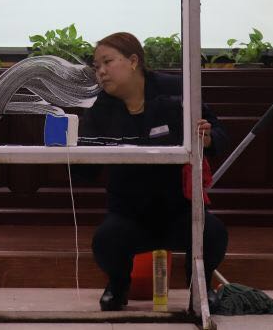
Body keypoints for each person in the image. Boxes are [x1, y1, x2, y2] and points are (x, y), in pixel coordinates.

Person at [78, 32, 229, 312]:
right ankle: (118, 286)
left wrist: (208, 138)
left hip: (179, 208)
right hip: (129, 212)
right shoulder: (99, 107)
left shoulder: (175, 89)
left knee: (213, 233)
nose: (101, 72)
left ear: (133, 61)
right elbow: (86, 170)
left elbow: (218, 132)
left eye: (107, 62)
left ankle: (200, 289)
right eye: (97, 66)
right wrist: (72, 152)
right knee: (105, 240)